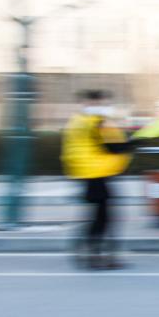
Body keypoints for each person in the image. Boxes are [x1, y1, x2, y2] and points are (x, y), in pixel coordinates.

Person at [61, 90, 140, 270]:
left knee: (99, 216)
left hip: (87, 174)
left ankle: (93, 252)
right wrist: (136, 142)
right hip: (98, 174)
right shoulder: (97, 122)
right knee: (103, 217)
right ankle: (96, 255)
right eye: (101, 103)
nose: (104, 107)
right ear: (89, 103)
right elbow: (113, 147)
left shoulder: (77, 122)